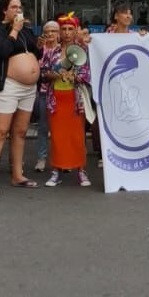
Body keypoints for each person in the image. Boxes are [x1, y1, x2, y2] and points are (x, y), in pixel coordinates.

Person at [0, 0, 42, 198]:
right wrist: (14, 30)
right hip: (8, 86)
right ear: (4, 11)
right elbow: (2, 50)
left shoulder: (26, 30)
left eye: (19, 6)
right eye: (13, 7)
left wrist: (39, 44)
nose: (18, 10)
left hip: (28, 88)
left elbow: (36, 53)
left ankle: (17, 175)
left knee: (21, 131)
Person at [40, 13, 93, 187]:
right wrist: (52, 74)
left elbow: (87, 74)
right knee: (56, 137)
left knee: (77, 137)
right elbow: (43, 72)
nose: (67, 32)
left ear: (76, 30)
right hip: (55, 99)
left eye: (71, 29)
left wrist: (74, 77)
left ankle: (81, 171)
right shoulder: (51, 51)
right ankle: (56, 170)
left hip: (74, 100)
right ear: (59, 32)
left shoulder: (83, 50)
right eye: (64, 29)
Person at [30, 20, 59, 172]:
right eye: (47, 31)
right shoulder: (39, 50)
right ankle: (41, 158)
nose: (50, 34)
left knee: (59, 128)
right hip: (43, 91)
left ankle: (60, 159)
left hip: (60, 92)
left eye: (54, 31)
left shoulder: (63, 50)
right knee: (42, 127)